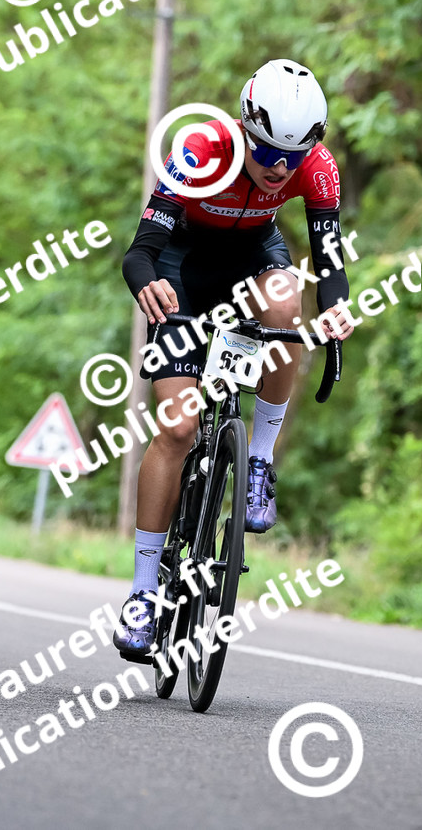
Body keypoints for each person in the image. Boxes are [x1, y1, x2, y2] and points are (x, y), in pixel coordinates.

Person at [113, 59, 356, 657]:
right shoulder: (202, 149)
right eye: (268, 151)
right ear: (245, 128)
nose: (280, 169)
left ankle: (259, 461)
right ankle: (143, 592)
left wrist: (336, 311)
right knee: (177, 429)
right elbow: (140, 252)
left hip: (253, 256)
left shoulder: (316, 168)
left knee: (286, 306)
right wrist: (147, 285)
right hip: (182, 266)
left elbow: (330, 265)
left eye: (293, 156)